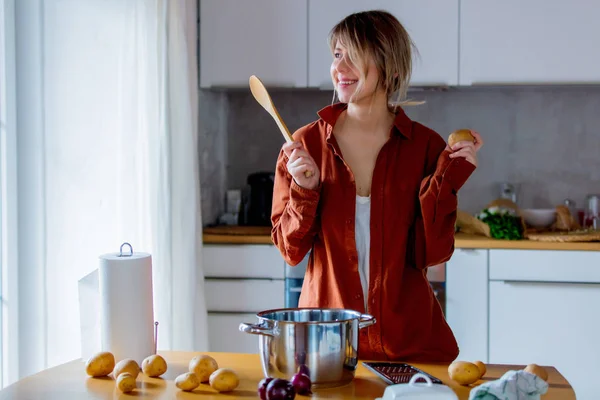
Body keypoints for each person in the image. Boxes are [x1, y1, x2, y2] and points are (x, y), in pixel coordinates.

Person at [270, 10, 483, 362]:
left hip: (409, 347)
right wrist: (305, 190)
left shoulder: (426, 148)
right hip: (327, 347)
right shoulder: (303, 146)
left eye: (354, 56)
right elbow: (290, 251)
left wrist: (447, 180)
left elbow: (432, 255)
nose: (340, 68)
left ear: (391, 67)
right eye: (337, 55)